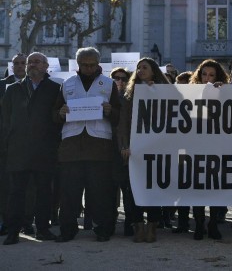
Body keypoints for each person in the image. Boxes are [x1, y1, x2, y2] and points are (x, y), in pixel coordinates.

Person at [54, 47, 121, 243]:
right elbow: (54, 113)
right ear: (78, 64)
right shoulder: (67, 84)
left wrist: (110, 111)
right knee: (69, 193)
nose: (88, 68)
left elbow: (119, 115)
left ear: (98, 64)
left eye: (92, 65)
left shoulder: (108, 84)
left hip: (99, 147)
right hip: (71, 147)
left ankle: (103, 229)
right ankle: (67, 229)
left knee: (100, 192)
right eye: (84, 65)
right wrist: (60, 113)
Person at [1, 52, 61, 245]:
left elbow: (57, 119)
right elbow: (5, 120)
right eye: (30, 62)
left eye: (37, 62)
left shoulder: (55, 89)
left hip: (44, 150)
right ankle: (13, 232)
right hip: (18, 150)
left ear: (46, 66)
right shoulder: (12, 89)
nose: (32, 65)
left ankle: (42, 229)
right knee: (16, 193)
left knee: (44, 192)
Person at [118, 57, 171, 243]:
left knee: (153, 189)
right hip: (134, 150)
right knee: (132, 191)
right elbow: (123, 123)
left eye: (145, 67)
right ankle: (138, 226)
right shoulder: (129, 94)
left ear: (154, 71)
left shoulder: (166, 92)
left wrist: (155, 92)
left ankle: (152, 227)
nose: (140, 70)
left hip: (157, 150)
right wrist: (124, 145)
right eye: (138, 67)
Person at [188, 59, 229, 240]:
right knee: (197, 188)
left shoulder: (226, 92)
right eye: (204, 74)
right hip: (195, 147)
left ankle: (213, 224)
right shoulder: (189, 93)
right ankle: (198, 224)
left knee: (214, 188)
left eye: (211, 75)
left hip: (217, 147)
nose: (207, 78)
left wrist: (224, 92)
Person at [0, 53, 27, 236]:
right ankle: (5, 221)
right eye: (16, 63)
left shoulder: (37, 84)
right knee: (5, 185)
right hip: (6, 141)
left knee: (26, 186)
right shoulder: (2, 84)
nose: (19, 66)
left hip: (28, 143)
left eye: (22, 63)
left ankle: (26, 221)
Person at [109, 67, 135, 237]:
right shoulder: (105, 98)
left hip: (126, 149)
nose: (120, 81)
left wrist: (125, 146)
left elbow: (124, 126)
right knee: (110, 190)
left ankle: (129, 224)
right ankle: (110, 223)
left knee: (128, 189)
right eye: (116, 78)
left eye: (124, 78)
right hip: (108, 149)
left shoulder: (129, 100)